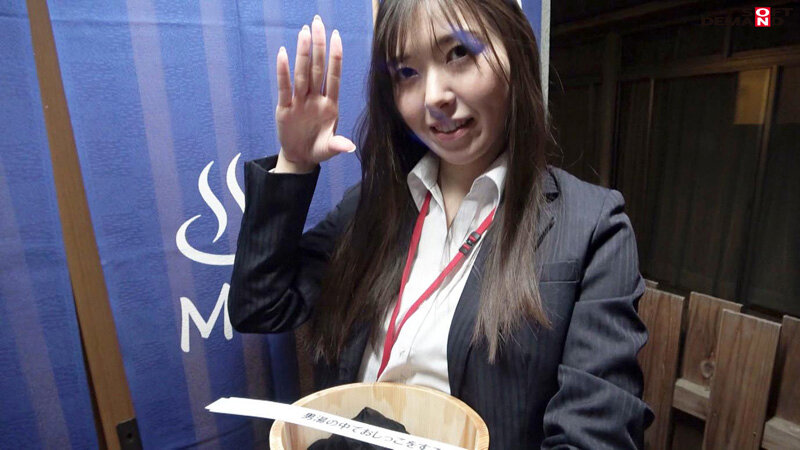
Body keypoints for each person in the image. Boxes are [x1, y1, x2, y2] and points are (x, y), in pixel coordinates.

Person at [228, 0, 654, 448]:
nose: (434, 96)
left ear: (516, 52)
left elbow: (594, 437)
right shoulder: (373, 207)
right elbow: (261, 305)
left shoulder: (593, 228)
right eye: (406, 73)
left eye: (458, 53)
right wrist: (294, 161)